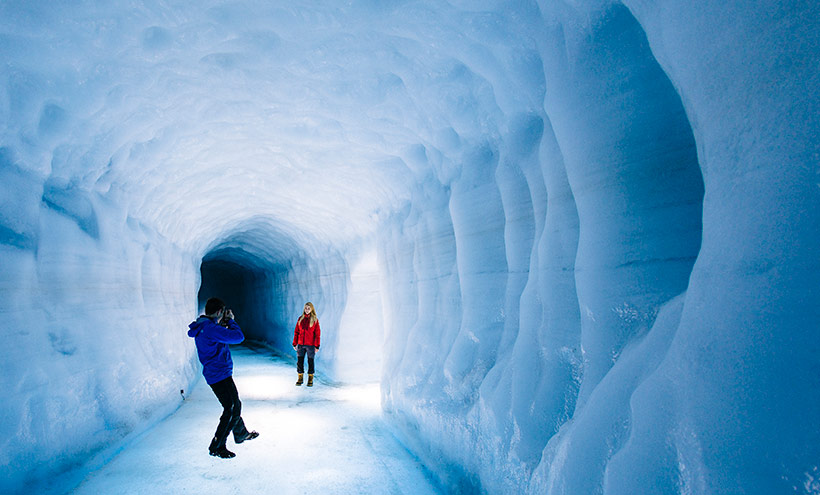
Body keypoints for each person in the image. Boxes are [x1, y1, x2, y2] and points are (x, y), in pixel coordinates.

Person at [188, 297, 259, 458]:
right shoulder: (211, 329)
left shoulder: (205, 327)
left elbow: (217, 336)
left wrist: (222, 324)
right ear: (220, 311)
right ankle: (217, 446)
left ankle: (240, 433)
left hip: (216, 373)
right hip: (219, 374)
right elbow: (238, 337)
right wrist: (232, 322)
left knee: (233, 404)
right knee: (232, 408)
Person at [292, 302, 321, 387]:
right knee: (299, 362)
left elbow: (317, 334)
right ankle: (300, 378)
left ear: (311, 309)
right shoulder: (300, 319)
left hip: (310, 345)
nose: (307, 310)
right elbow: (296, 332)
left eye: (308, 308)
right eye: (306, 308)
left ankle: (310, 379)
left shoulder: (315, 320)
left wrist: (317, 345)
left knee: (310, 362)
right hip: (301, 345)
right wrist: (295, 343)